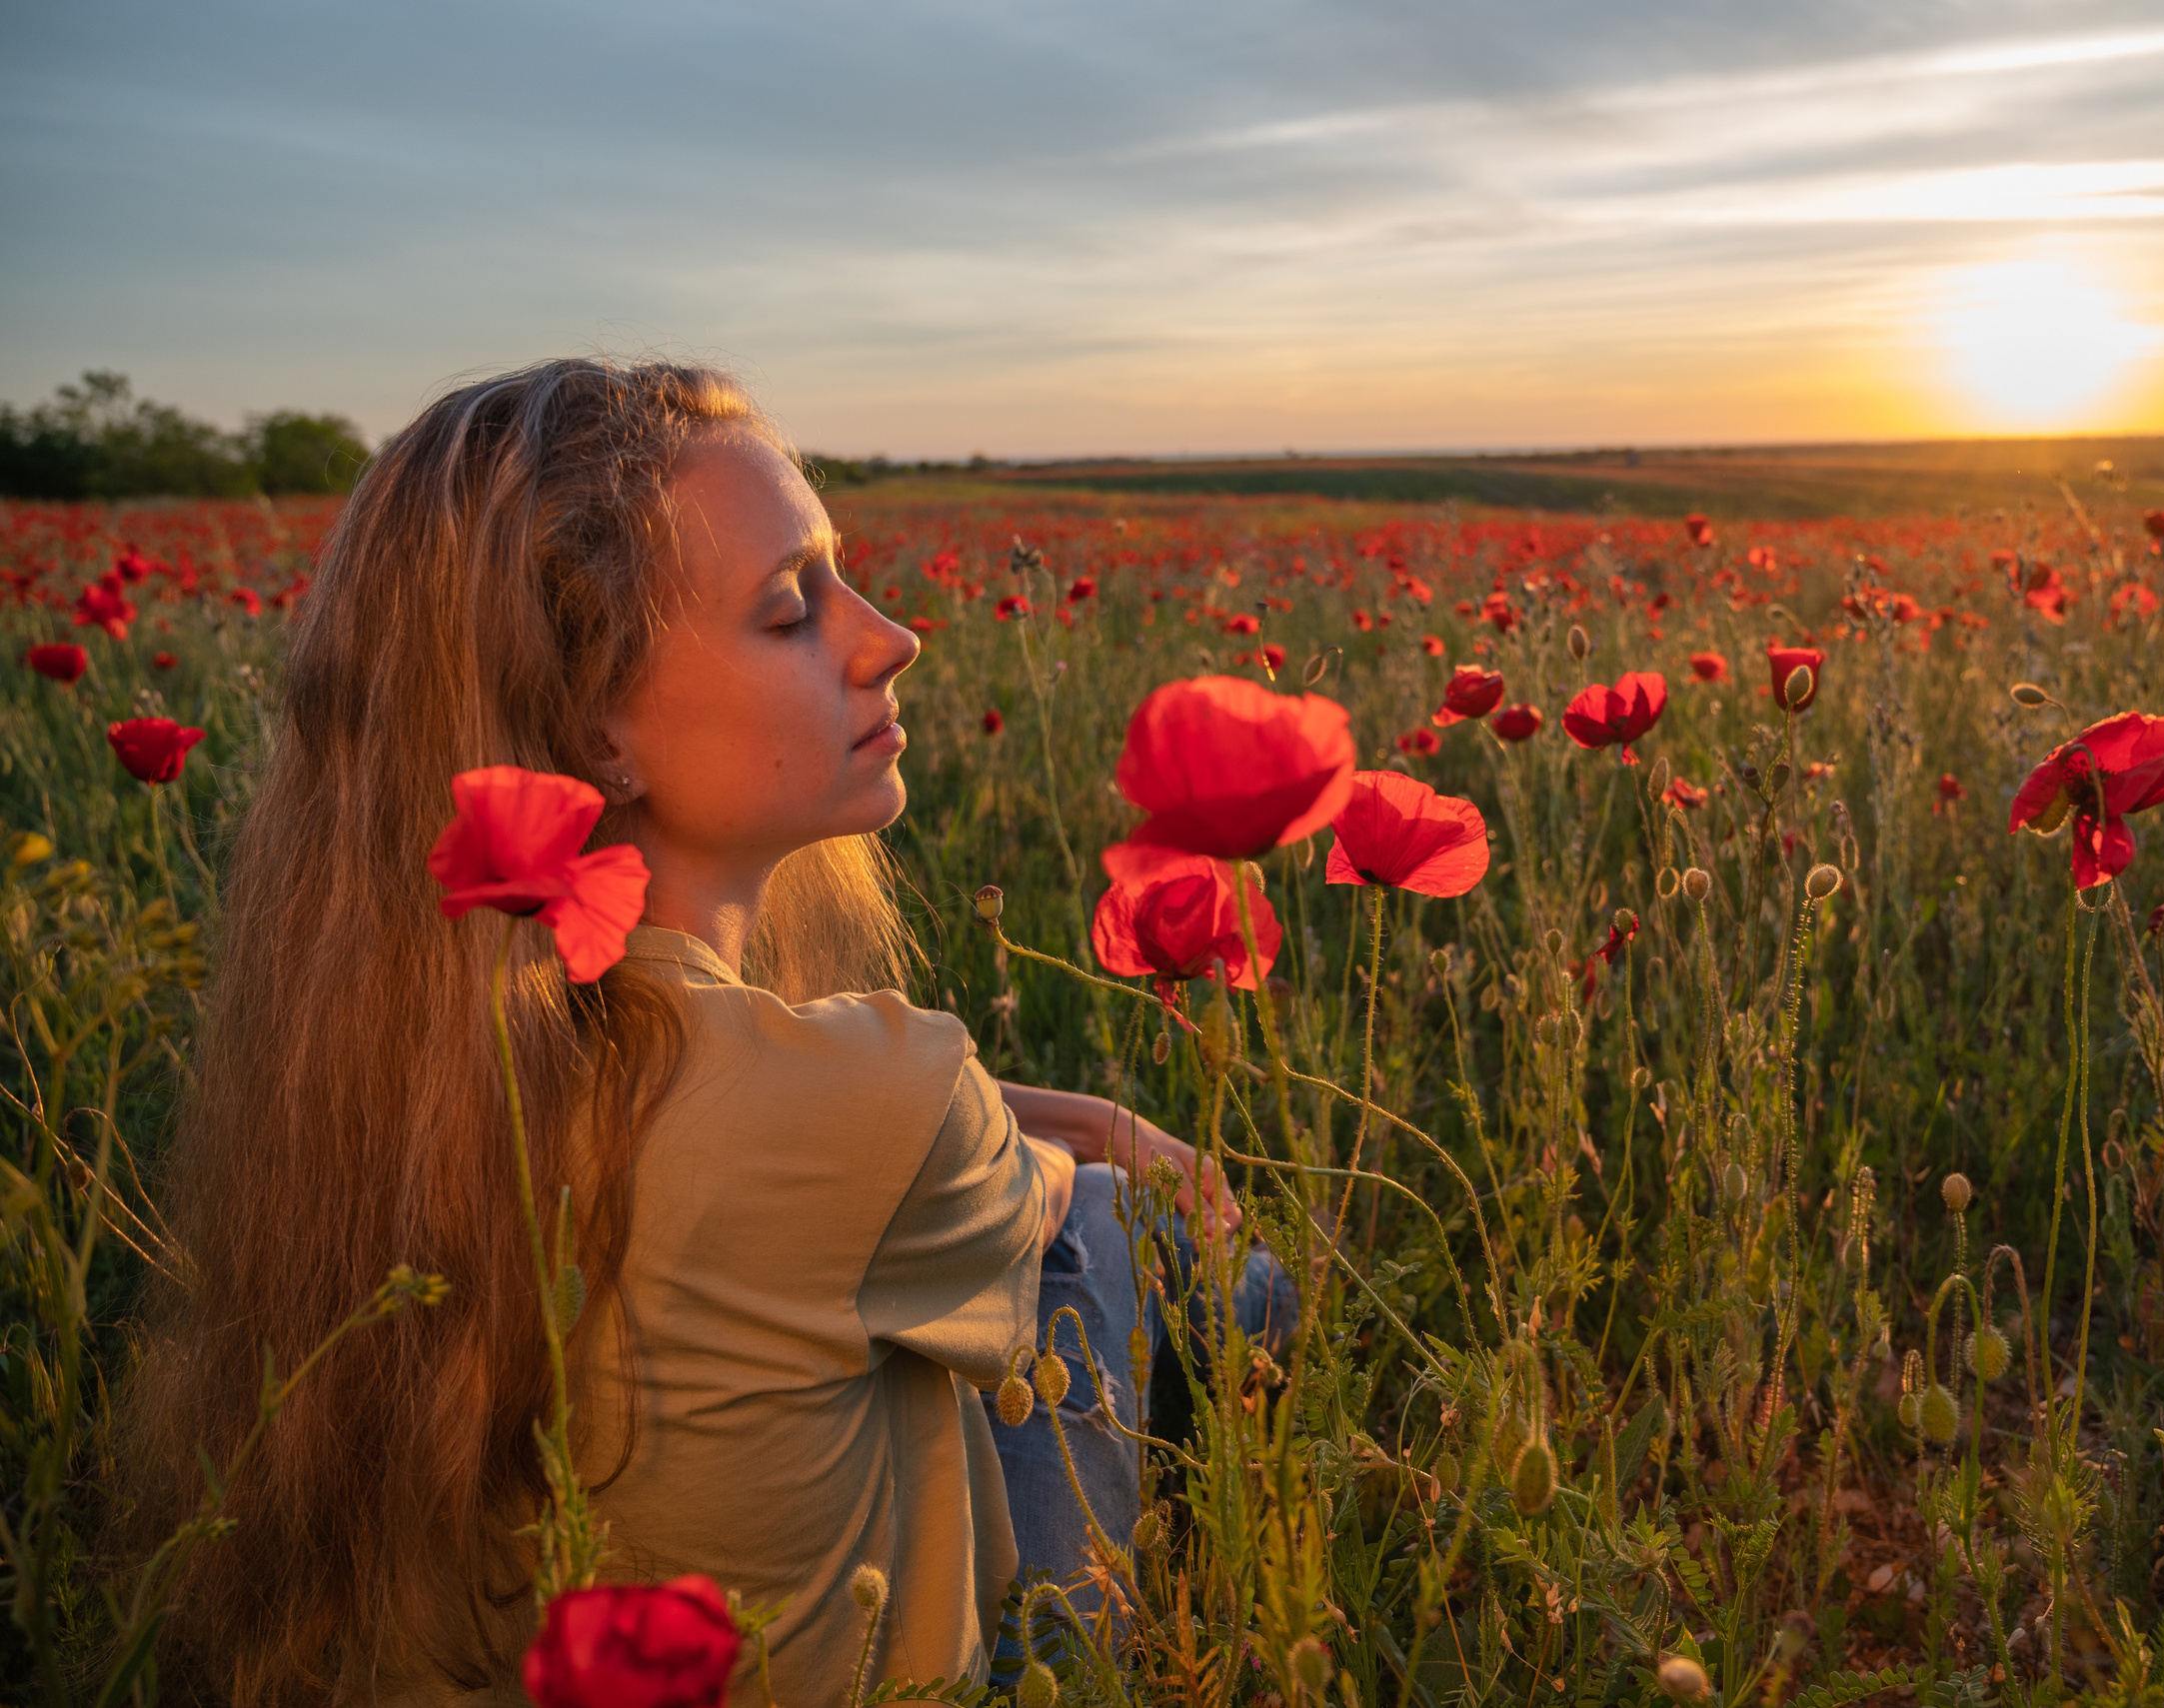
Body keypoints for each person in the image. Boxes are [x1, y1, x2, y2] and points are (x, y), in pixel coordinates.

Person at [121, 358, 1292, 1705]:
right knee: (1133, 1243)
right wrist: (1126, 1145)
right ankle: (1235, 1585)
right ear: (593, 728)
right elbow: (1044, 1203)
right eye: (793, 607)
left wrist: (1043, 1114)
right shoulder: (873, 1102)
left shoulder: (389, 1085)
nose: (891, 634)